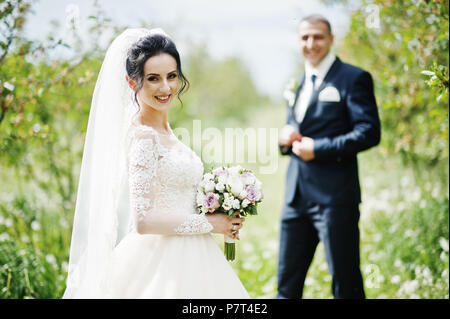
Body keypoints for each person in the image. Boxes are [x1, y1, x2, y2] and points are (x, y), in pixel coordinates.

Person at [63, 28, 249, 298]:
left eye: (172, 76)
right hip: (161, 263)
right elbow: (144, 221)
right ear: (132, 82)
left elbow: (173, 193)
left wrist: (219, 206)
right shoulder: (143, 138)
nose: (166, 88)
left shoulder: (163, 129)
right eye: (153, 79)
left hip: (195, 253)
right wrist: (212, 223)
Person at [277, 15, 381, 299]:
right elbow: (299, 128)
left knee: (345, 285)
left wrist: (319, 148)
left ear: (331, 39)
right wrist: (285, 140)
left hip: (335, 200)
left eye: (318, 37)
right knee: (286, 287)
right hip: (295, 198)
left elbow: (369, 132)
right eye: (304, 38)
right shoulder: (297, 82)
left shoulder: (353, 78)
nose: (311, 44)